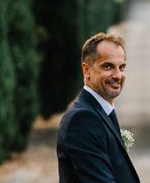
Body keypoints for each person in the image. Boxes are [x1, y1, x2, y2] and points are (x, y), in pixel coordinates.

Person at [57, 32, 140, 183]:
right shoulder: (82, 119)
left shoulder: (99, 111)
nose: (118, 75)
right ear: (86, 70)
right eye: (108, 66)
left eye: (121, 67)